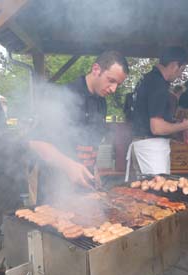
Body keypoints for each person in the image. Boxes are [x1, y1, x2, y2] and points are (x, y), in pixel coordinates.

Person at [30, 50, 129, 203]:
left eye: (118, 84)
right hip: (56, 186)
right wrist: (69, 165)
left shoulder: (101, 102)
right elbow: (36, 141)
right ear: (96, 69)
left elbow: (91, 142)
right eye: (111, 80)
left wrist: (94, 171)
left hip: (83, 187)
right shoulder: (64, 95)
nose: (113, 89)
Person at [126, 47, 188, 180]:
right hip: (151, 149)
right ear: (175, 65)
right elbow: (156, 127)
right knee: (158, 195)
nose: (180, 75)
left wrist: (177, 121)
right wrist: (184, 125)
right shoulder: (158, 85)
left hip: (143, 146)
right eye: (182, 70)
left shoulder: (147, 80)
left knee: (148, 195)